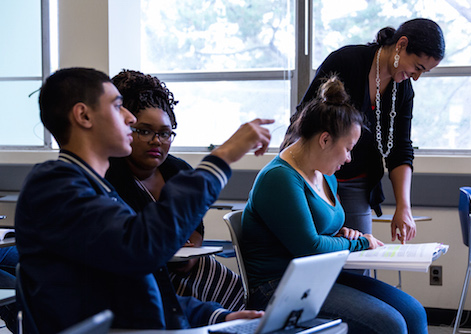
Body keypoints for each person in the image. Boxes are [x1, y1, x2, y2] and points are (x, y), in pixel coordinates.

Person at [14, 67, 271, 333]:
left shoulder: (98, 190)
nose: (129, 118)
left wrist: (218, 316)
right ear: (84, 115)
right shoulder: (55, 186)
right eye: (118, 107)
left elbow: (139, 295)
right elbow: (141, 247)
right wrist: (223, 156)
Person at [242, 76, 428, 333]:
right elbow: (310, 246)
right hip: (279, 285)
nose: (349, 158)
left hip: (318, 274)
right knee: (390, 324)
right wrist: (360, 241)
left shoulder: (325, 172)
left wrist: (342, 233)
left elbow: (318, 233)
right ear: (325, 140)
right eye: (348, 148)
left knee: (413, 312)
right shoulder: (280, 178)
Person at [281, 18, 445, 243]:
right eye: (417, 67)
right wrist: (319, 183)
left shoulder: (403, 90)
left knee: (360, 255)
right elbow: (304, 122)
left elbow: (400, 150)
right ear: (401, 45)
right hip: (316, 174)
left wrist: (403, 207)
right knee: (319, 251)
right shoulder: (346, 61)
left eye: (423, 72)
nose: (416, 77)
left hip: (358, 182)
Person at [105, 69, 245, 311]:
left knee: (236, 295)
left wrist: (191, 249)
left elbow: (195, 225)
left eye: (165, 133)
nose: (156, 141)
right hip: (143, 276)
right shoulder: (110, 178)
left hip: (191, 266)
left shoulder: (179, 170)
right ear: (126, 128)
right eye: (145, 131)